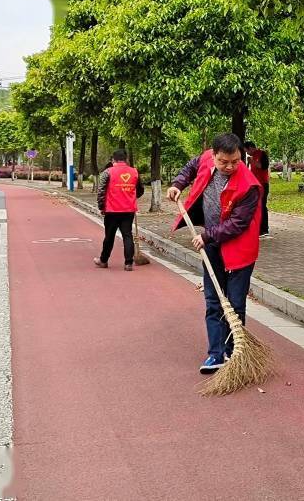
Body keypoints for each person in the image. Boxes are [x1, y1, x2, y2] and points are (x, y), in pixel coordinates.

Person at [167, 133, 262, 374]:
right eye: (223, 162)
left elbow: (238, 224)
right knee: (213, 301)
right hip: (211, 244)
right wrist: (178, 184)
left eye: (235, 161)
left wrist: (207, 236)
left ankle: (235, 351)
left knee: (235, 302)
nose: (229, 167)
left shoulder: (249, 185)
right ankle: (216, 354)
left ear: (242, 156)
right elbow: (190, 167)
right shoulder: (206, 160)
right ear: (214, 155)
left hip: (239, 248)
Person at [94, 149, 144, 271]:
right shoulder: (134, 172)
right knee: (127, 235)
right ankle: (128, 263)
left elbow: (101, 191)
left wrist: (101, 207)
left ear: (113, 160)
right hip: (128, 210)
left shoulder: (107, 172)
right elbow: (140, 190)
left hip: (111, 210)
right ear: (126, 159)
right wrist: (130, 196)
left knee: (109, 236)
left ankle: (103, 260)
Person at [244, 140, 270, 237]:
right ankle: (257, 228)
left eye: (247, 151)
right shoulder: (252, 157)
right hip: (255, 185)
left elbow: (263, 166)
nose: (247, 153)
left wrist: (253, 162)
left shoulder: (262, 154)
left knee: (262, 206)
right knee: (256, 206)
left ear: (250, 148)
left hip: (263, 184)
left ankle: (264, 229)